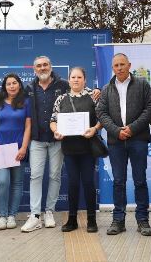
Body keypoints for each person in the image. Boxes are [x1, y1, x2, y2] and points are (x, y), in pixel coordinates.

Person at [96, 53, 151, 237]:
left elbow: (150, 108)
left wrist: (132, 128)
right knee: (119, 182)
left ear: (129, 65)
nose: (119, 68)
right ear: (113, 68)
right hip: (116, 142)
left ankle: (143, 220)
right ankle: (118, 220)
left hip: (137, 139)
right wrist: (116, 131)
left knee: (140, 181)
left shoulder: (142, 84)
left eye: (122, 64)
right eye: (116, 65)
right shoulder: (107, 89)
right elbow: (101, 112)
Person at [50, 67, 101, 233]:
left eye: (79, 77)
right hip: (69, 149)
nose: (76, 80)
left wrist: (94, 128)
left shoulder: (93, 97)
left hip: (87, 148)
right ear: (69, 79)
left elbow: (102, 118)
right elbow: (53, 120)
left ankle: (92, 220)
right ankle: (72, 220)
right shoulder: (61, 99)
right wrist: (55, 131)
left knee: (88, 182)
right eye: (73, 77)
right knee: (72, 183)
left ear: (85, 80)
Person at [20, 55, 68, 232]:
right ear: (34, 70)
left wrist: (94, 91)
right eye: (38, 66)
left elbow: (79, 93)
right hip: (37, 140)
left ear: (51, 66)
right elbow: (14, 102)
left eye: (45, 65)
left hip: (58, 139)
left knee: (55, 176)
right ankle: (35, 215)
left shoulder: (63, 85)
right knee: (35, 176)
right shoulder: (29, 88)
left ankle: (49, 211)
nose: (42, 68)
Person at [0, 73, 31, 230]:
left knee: (17, 183)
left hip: (18, 149)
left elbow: (28, 127)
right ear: (4, 87)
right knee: (3, 182)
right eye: (8, 84)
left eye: (14, 83)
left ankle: (12, 216)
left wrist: (24, 147)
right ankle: (2, 216)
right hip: (0, 150)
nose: (12, 86)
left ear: (19, 84)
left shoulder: (26, 102)